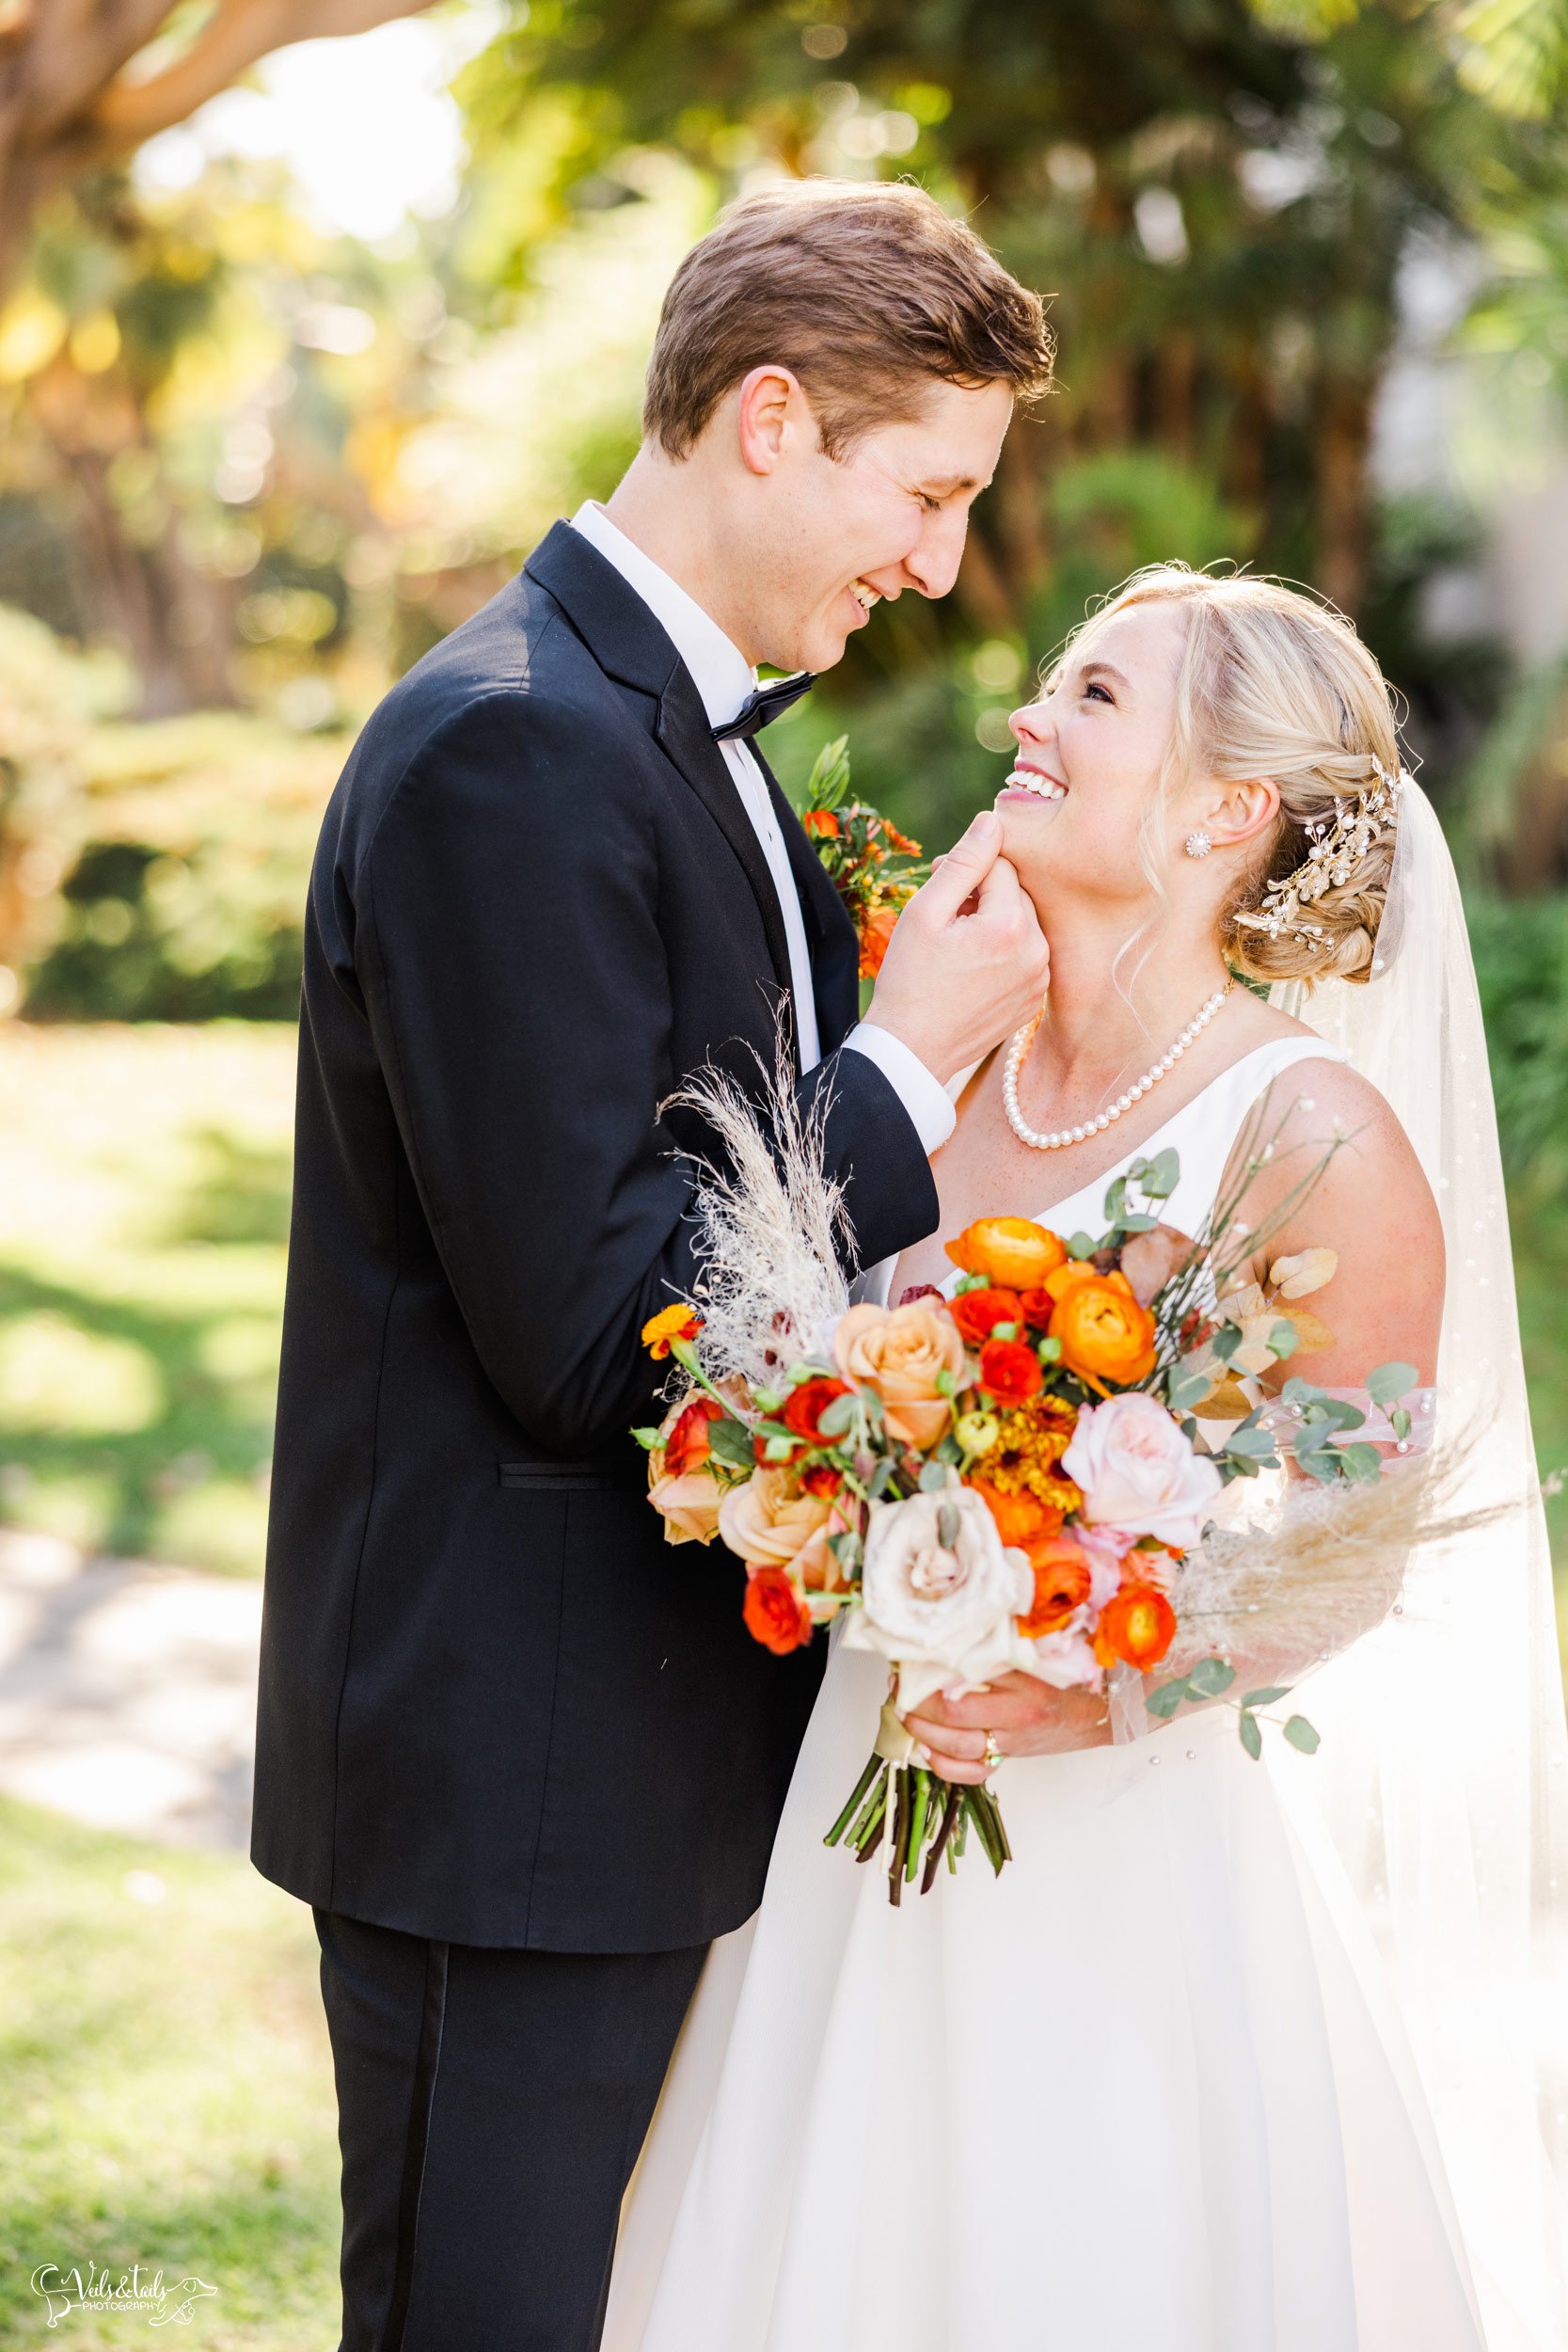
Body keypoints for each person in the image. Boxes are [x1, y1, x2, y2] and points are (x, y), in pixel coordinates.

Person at [248, 180, 1055, 2352]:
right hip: (511, 1777)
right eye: (928, 493)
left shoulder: (676, 739)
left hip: (650, 1753)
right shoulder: (513, 741)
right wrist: (908, 1060)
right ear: (771, 418)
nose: (939, 565)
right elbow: (604, 1325)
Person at [603, 568, 1568, 2352]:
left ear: (1225, 813)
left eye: (1096, 699)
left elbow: (1355, 1546)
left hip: (1118, 1873)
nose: (1025, 719)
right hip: (833, 1810)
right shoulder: (935, 1054)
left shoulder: (1309, 1135)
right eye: (1056, 687)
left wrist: (1089, 1693)